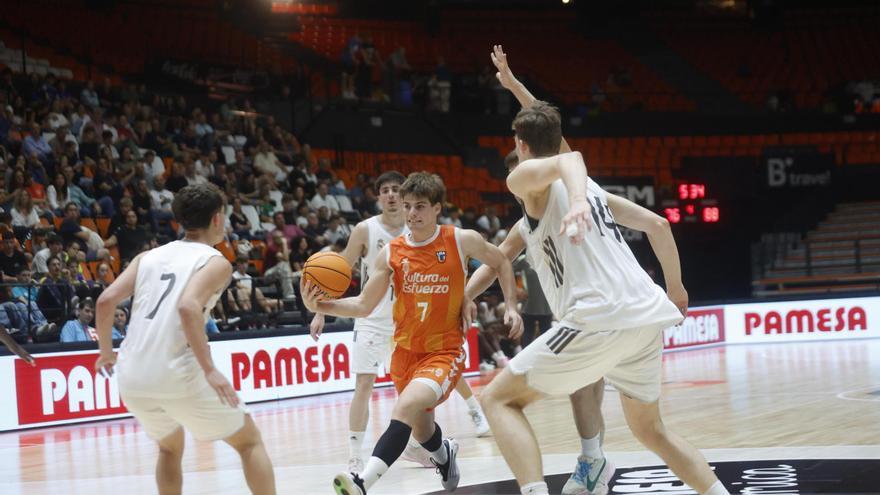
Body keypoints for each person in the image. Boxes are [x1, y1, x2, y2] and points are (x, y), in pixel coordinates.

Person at [469, 63, 729, 495]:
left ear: (520, 146)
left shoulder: (530, 178)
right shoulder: (593, 190)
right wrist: (677, 288)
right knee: (651, 431)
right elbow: (660, 227)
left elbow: (567, 157)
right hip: (646, 317)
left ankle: (554, 480)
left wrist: (574, 203)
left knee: (498, 399)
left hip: (598, 315)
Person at [301, 172, 523, 495]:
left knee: (404, 408)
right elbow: (364, 305)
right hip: (405, 354)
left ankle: (362, 483)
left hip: (444, 350)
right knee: (422, 431)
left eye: (420, 207)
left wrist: (511, 305)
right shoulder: (391, 252)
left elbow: (501, 261)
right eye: (408, 207)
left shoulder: (461, 239)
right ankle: (444, 455)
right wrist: (322, 305)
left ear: (437, 208)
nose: (412, 214)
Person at [93, 183, 276, 494]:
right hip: (176, 370)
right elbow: (188, 307)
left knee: (169, 448)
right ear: (217, 218)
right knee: (249, 442)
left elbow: (105, 301)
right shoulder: (215, 261)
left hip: (132, 374)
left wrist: (106, 353)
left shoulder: (147, 257)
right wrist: (209, 370)